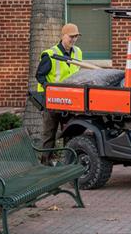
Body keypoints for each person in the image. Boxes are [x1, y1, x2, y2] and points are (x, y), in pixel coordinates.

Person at [36, 23, 82, 164]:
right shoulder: (50, 54)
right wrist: (49, 88)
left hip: (70, 100)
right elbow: (40, 75)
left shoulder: (77, 52)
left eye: (76, 37)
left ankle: (69, 162)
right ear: (63, 36)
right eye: (71, 37)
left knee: (71, 132)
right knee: (49, 134)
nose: (73, 40)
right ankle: (45, 164)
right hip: (51, 100)